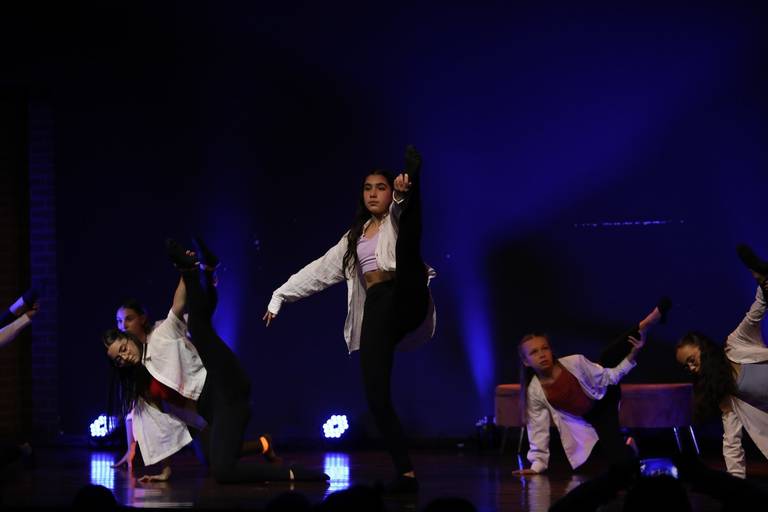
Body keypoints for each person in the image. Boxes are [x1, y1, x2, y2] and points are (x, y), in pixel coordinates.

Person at [264, 145, 436, 493]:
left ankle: (414, 179)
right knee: (376, 396)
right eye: (368, 188)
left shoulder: (396, 218)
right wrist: (279, 295)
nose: (373, 193)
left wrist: (404, 194)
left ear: (391, 190)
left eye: (381, 187)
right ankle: (405, 473)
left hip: (406, 293)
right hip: (378, 308)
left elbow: (403, 216)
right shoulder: (354, 237)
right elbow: (320, 270)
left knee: (407, 237)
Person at [105, 238, 326, 483]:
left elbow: (178, 305)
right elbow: (156, 427)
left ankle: (193, 271)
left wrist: (183, 274)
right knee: (219, 466)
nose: (124, 357)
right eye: (118, 359)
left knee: (198, 326)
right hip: (214, 409)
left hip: (221, 379)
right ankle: (287, 469)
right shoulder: (142, 385)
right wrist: (165, 470)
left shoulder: (160, 334)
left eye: (123, 348)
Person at [110, 296, 276, 474]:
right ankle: (263, 444)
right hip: (187, 414)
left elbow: (185, 316)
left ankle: (264, 445)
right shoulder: (131, 363)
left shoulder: (161, 333)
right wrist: (132, 447)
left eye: (129, 319)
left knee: (218, 457)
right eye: (119, 321)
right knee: (209, 458)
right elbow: (135, 409)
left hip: (207, 397)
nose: (123, 325)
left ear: (142, 318)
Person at [513, 299, 670, 475]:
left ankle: (647, 322)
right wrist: (536, 466)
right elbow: (537, 428)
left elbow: (610, 377)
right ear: (526, 361)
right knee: (618, 463)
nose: (542, 354)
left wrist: (633, 354)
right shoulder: (535, 391)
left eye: (545, 348)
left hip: (605, 400)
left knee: (607, 356)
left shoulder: (575, 362)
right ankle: (629, 447)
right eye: (534, 352)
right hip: (589, 418)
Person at [674, 243, 768, 478]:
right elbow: (731, 442)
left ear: (703, 347)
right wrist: (735, 486)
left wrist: (762, 283)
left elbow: (756, 312)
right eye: (686, 366)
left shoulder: (736, 343)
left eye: (691, 359)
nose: (691, 368)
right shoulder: (725, 394)